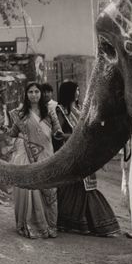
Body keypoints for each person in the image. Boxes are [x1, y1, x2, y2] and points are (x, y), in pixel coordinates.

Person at [54, 81, 120, 236]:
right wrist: (75, 138)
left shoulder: (78, 109)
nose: (78, 92)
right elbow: (57, 134)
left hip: (84, 154)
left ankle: (82, 222)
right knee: (76, 187)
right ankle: (85, 222)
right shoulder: (61, 111)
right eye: (76, 90)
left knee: (86, 187)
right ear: (69, 92)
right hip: (71, 154)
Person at [9, 82, 62, 239]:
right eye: (30, 92)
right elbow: (13, 133)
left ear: (41, 93)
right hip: (26, 155)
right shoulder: (19, 113)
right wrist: (11, 132)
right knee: (29, 191)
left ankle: (51, 225)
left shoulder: (49, 111)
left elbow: (58, 129)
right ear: (26, 94)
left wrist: (58, 133)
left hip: (46, 155)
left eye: (36, 91)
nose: (34, 95)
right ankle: (29, 224)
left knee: (49, 190)